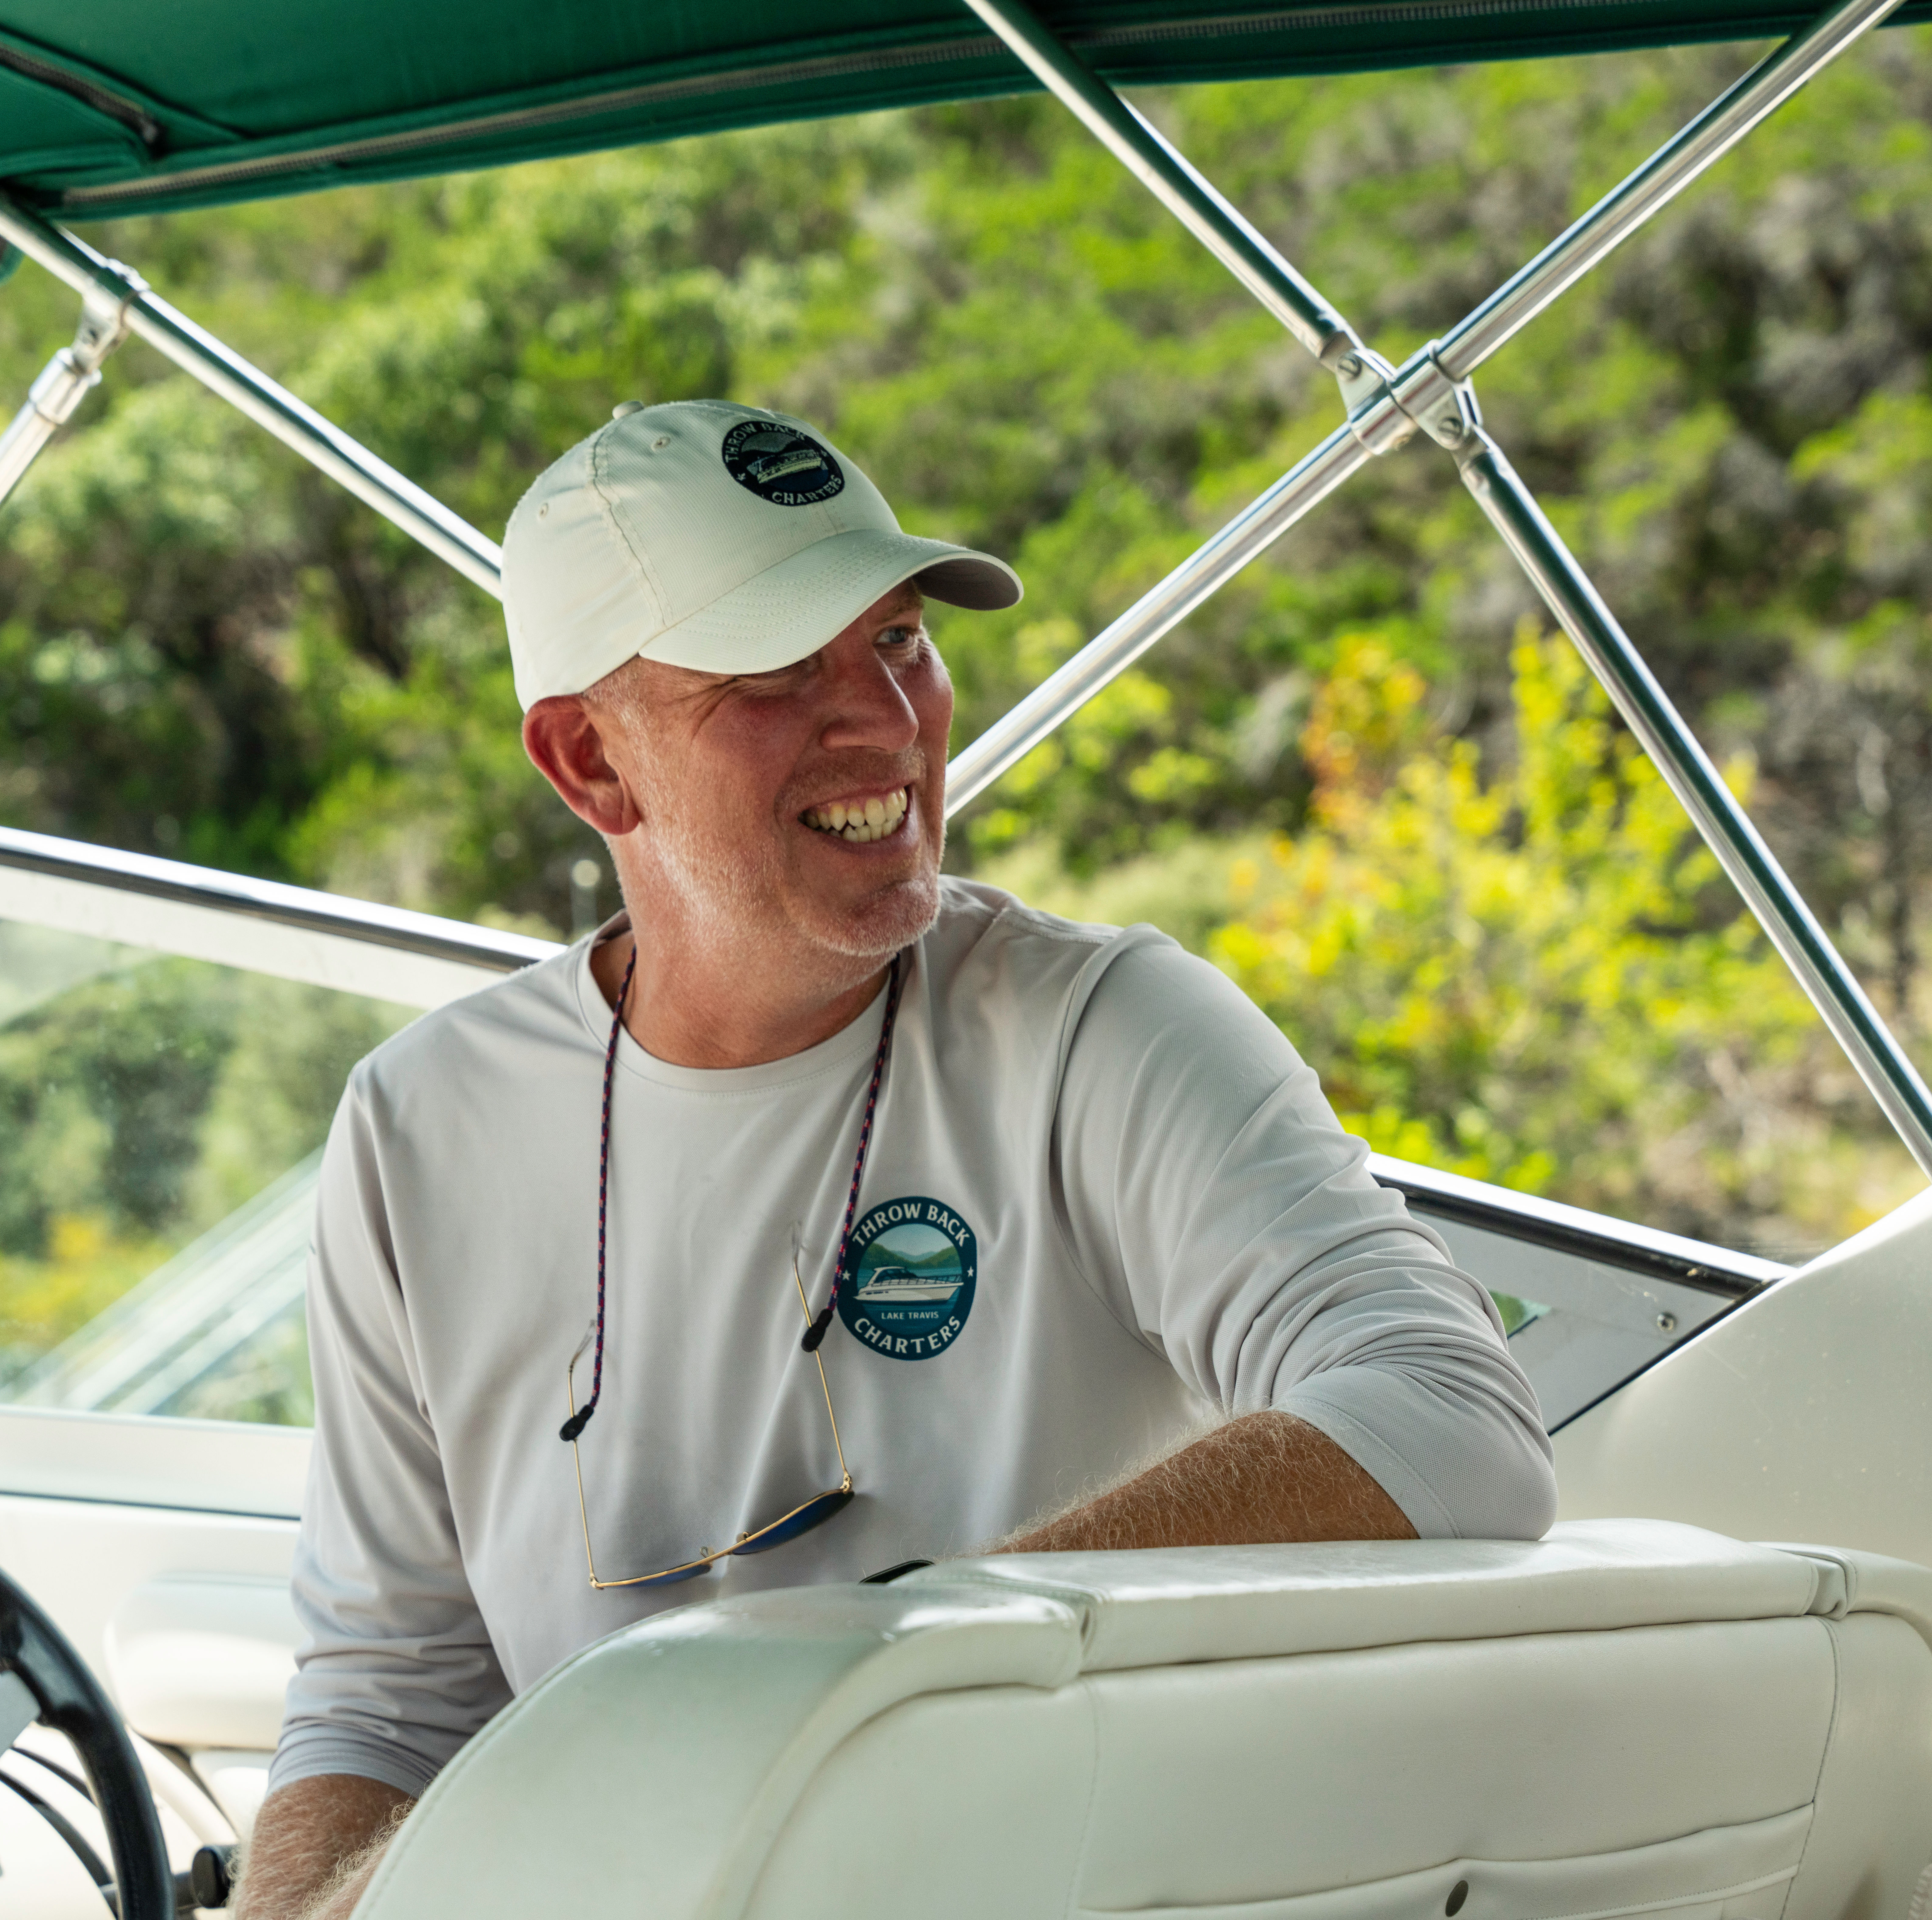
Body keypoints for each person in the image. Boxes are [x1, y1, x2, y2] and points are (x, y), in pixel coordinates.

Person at [238, 401, 1555, 1920]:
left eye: (899, 645)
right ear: (592, 761)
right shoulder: (418, 1126)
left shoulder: (1100, 1027)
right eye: (781, 671)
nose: (882, 720)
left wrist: (886, 1672)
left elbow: (1449, 1415)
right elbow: (386, 1701)